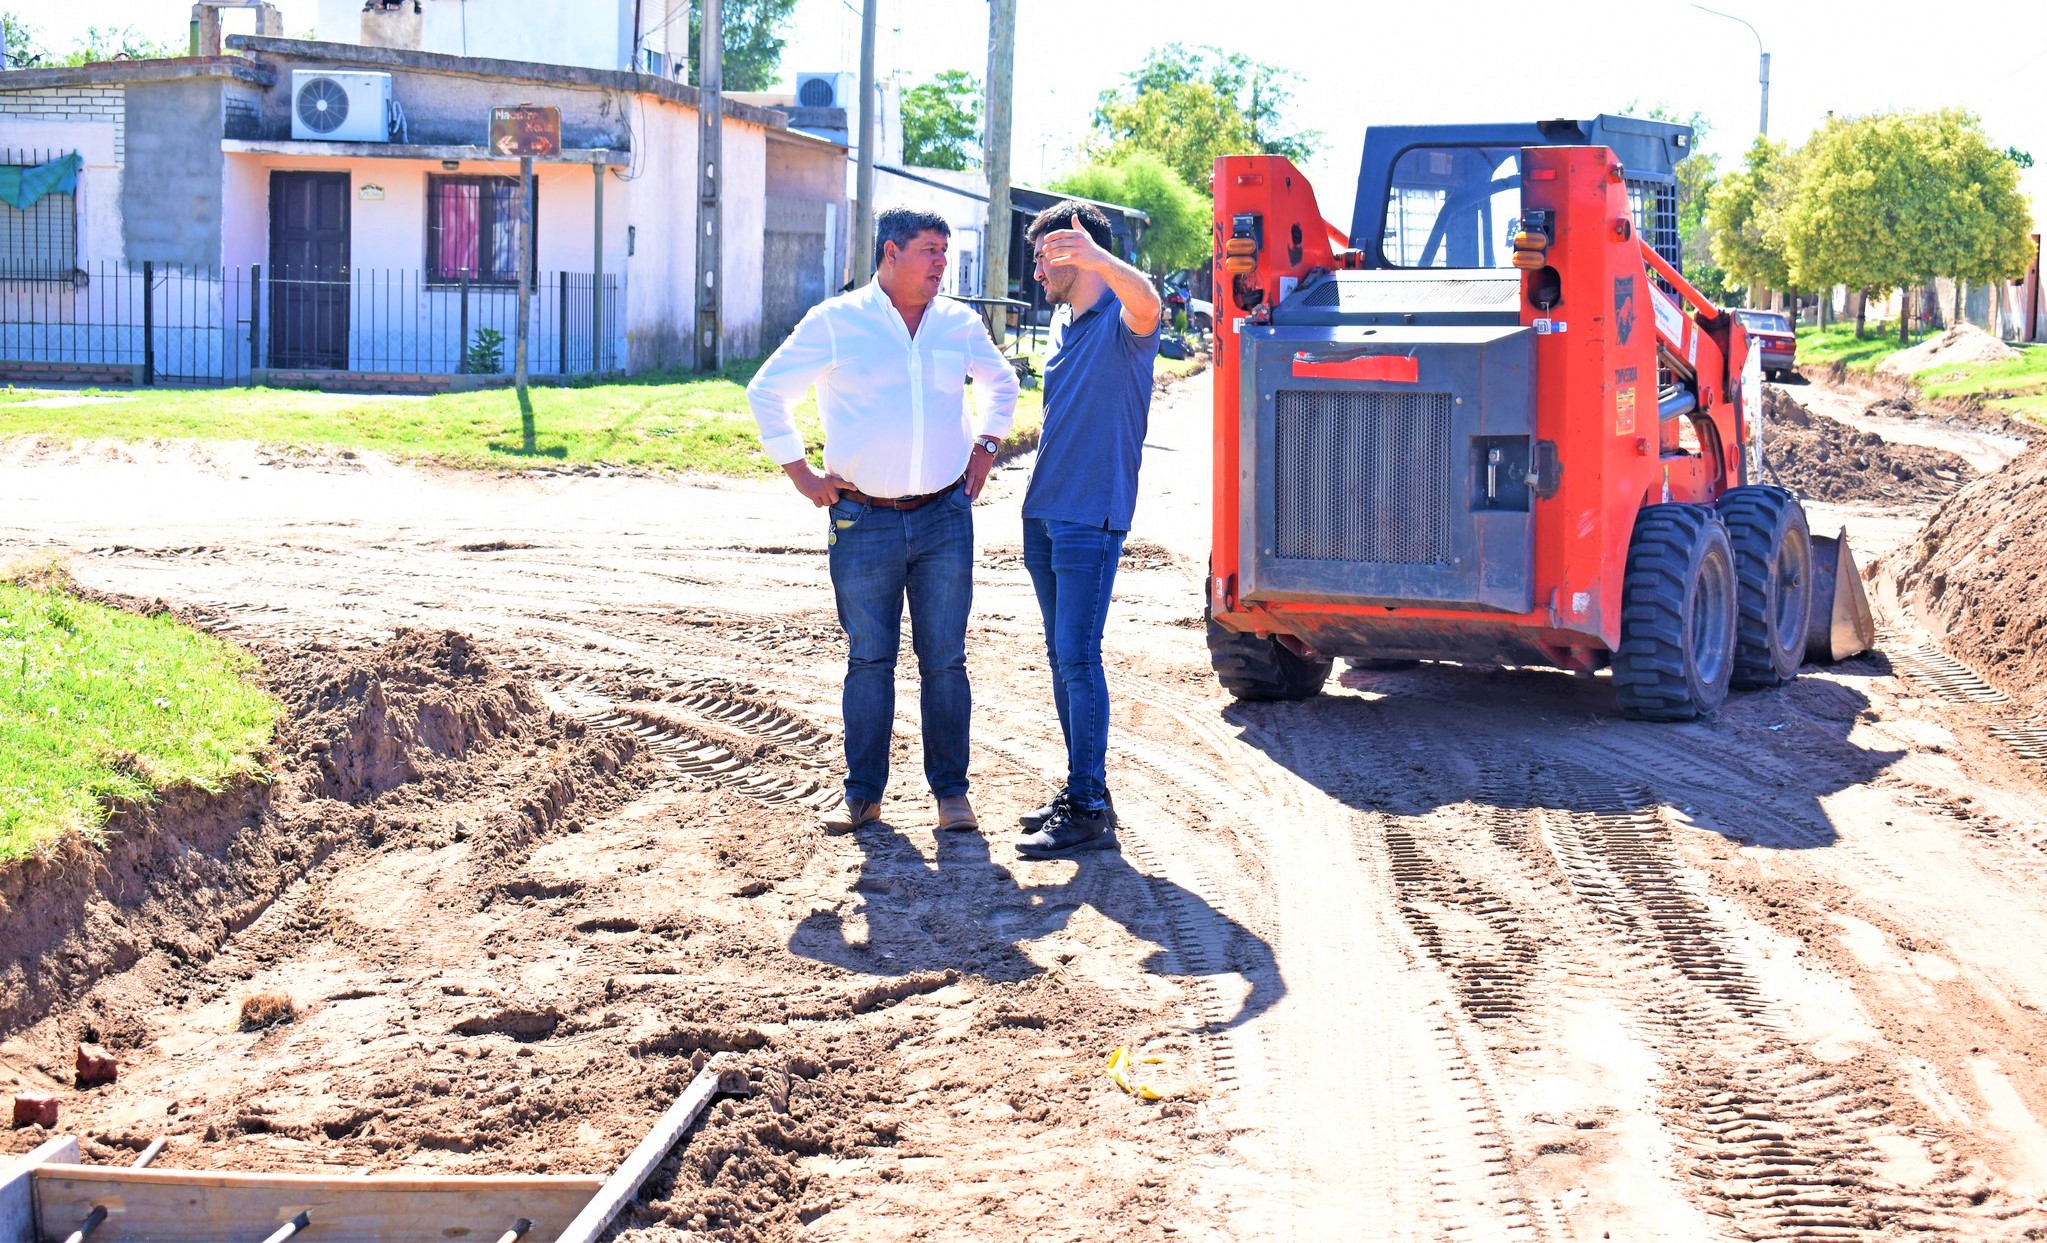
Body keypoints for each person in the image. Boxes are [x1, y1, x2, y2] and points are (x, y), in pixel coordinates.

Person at [747, 207, 1020, 835]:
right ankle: (863, 795)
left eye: (944, 253)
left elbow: (1001, 385)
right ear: (890, 253)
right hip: (862, 520)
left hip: (944, 517)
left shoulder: (956, 322)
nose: (940, 264)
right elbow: (767, 391)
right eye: (929, 251)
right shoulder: (837, 322)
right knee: (870, 659)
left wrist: (984, 451)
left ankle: (952, 794)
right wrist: (803, 477)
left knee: (945, 659)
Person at [1013, 202, 1161, 858]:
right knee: (1061, 659)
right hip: (1044, 514)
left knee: (1079, 656)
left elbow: (1149, 299)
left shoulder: (1124, 324)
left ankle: (1089, 804)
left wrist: (1097, 256)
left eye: (1048, 254)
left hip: (1088, 516)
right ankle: (1080, 786)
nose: (1037, 267)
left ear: (1081, 254)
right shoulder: (1061, 325)